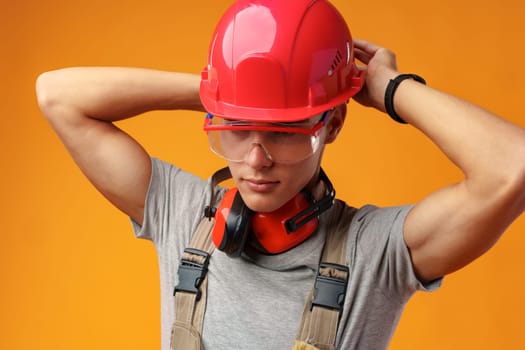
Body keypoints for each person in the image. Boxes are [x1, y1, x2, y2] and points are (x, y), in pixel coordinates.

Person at [35, 0, 525, 349]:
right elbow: (58, 95)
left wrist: (392, 89)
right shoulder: (183, 215)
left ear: (331, 124)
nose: (255, 160)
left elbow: (513, 167)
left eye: (285, 133)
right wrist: (225, 91)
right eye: (236, 130)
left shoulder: (379, 252)